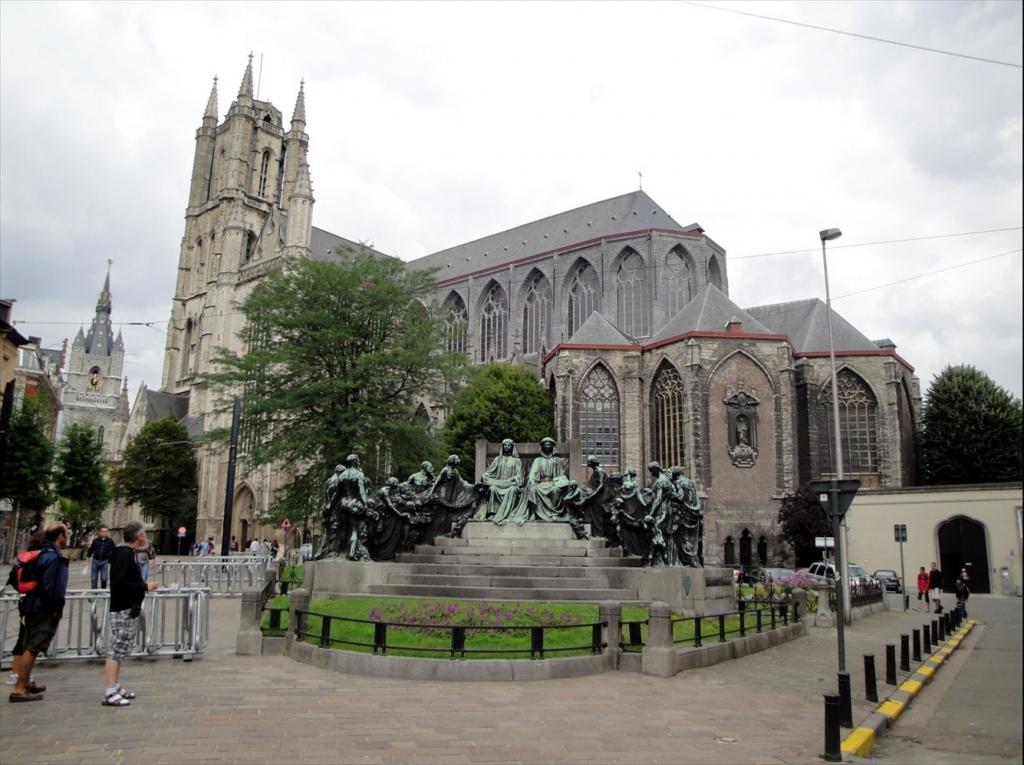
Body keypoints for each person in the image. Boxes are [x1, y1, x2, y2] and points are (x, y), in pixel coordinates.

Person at [9, 524, 70, 702]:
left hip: (30, 605)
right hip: (45, 608)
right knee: (33, 648)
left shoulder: (40, 553)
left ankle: (25, 683)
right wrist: (55, 606)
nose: (67, 538)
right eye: (66, 534)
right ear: (59, 536)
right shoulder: (54, 557)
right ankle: (19, 688)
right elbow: (52, 587)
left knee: (28, 645)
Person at [102, 520, 159, 707]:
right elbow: (119, 584)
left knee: (120, 650)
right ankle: (110, 692)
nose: (146, 536)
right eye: (144, 533)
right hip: (122, 608)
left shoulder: (129, 554)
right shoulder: (122, 554)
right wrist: (144, 586)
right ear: (138, 536)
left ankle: (116, 686)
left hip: (128, 608)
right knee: (115, 650)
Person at [477, 439, 525, 524]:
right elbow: (490, 472)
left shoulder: (517, 460)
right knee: (492, 489)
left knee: (513, 490)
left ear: (512, 447)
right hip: (499, 483)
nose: (507, 447)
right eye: (505, 445)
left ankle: (509, 512)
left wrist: (512, 479)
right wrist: (484, 476)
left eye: (509, 445)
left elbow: (520, 475)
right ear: (502, 447)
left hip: (510, 484)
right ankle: (492, 513)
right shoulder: (497, 459)